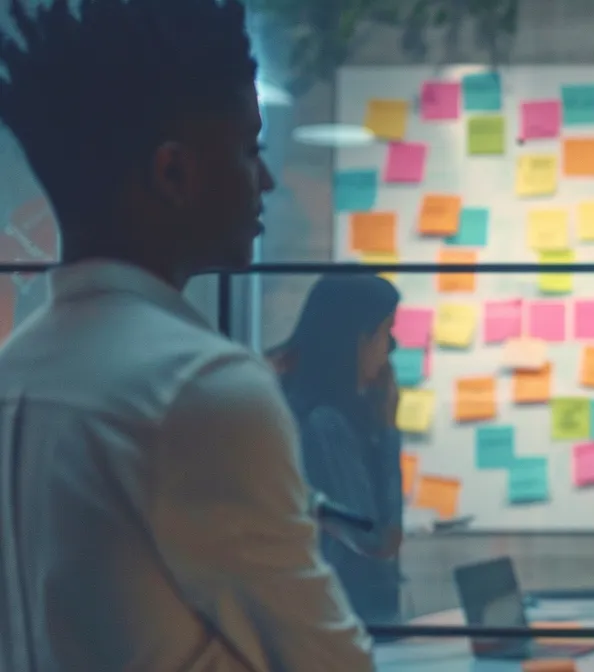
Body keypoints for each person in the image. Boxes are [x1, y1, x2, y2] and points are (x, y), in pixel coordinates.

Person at [0, 1, 373, 670]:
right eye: (248, 148)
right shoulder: (201, 389)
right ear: (174, 174)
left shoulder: (14, 370)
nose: (265, 178)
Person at [268, 276, 407, 628]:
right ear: (359, 340)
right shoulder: (324, 423)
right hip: (344, 617)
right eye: (385, 331)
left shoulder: (303, 407)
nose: (391, 346)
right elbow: (375, 536)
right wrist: (389, 429)